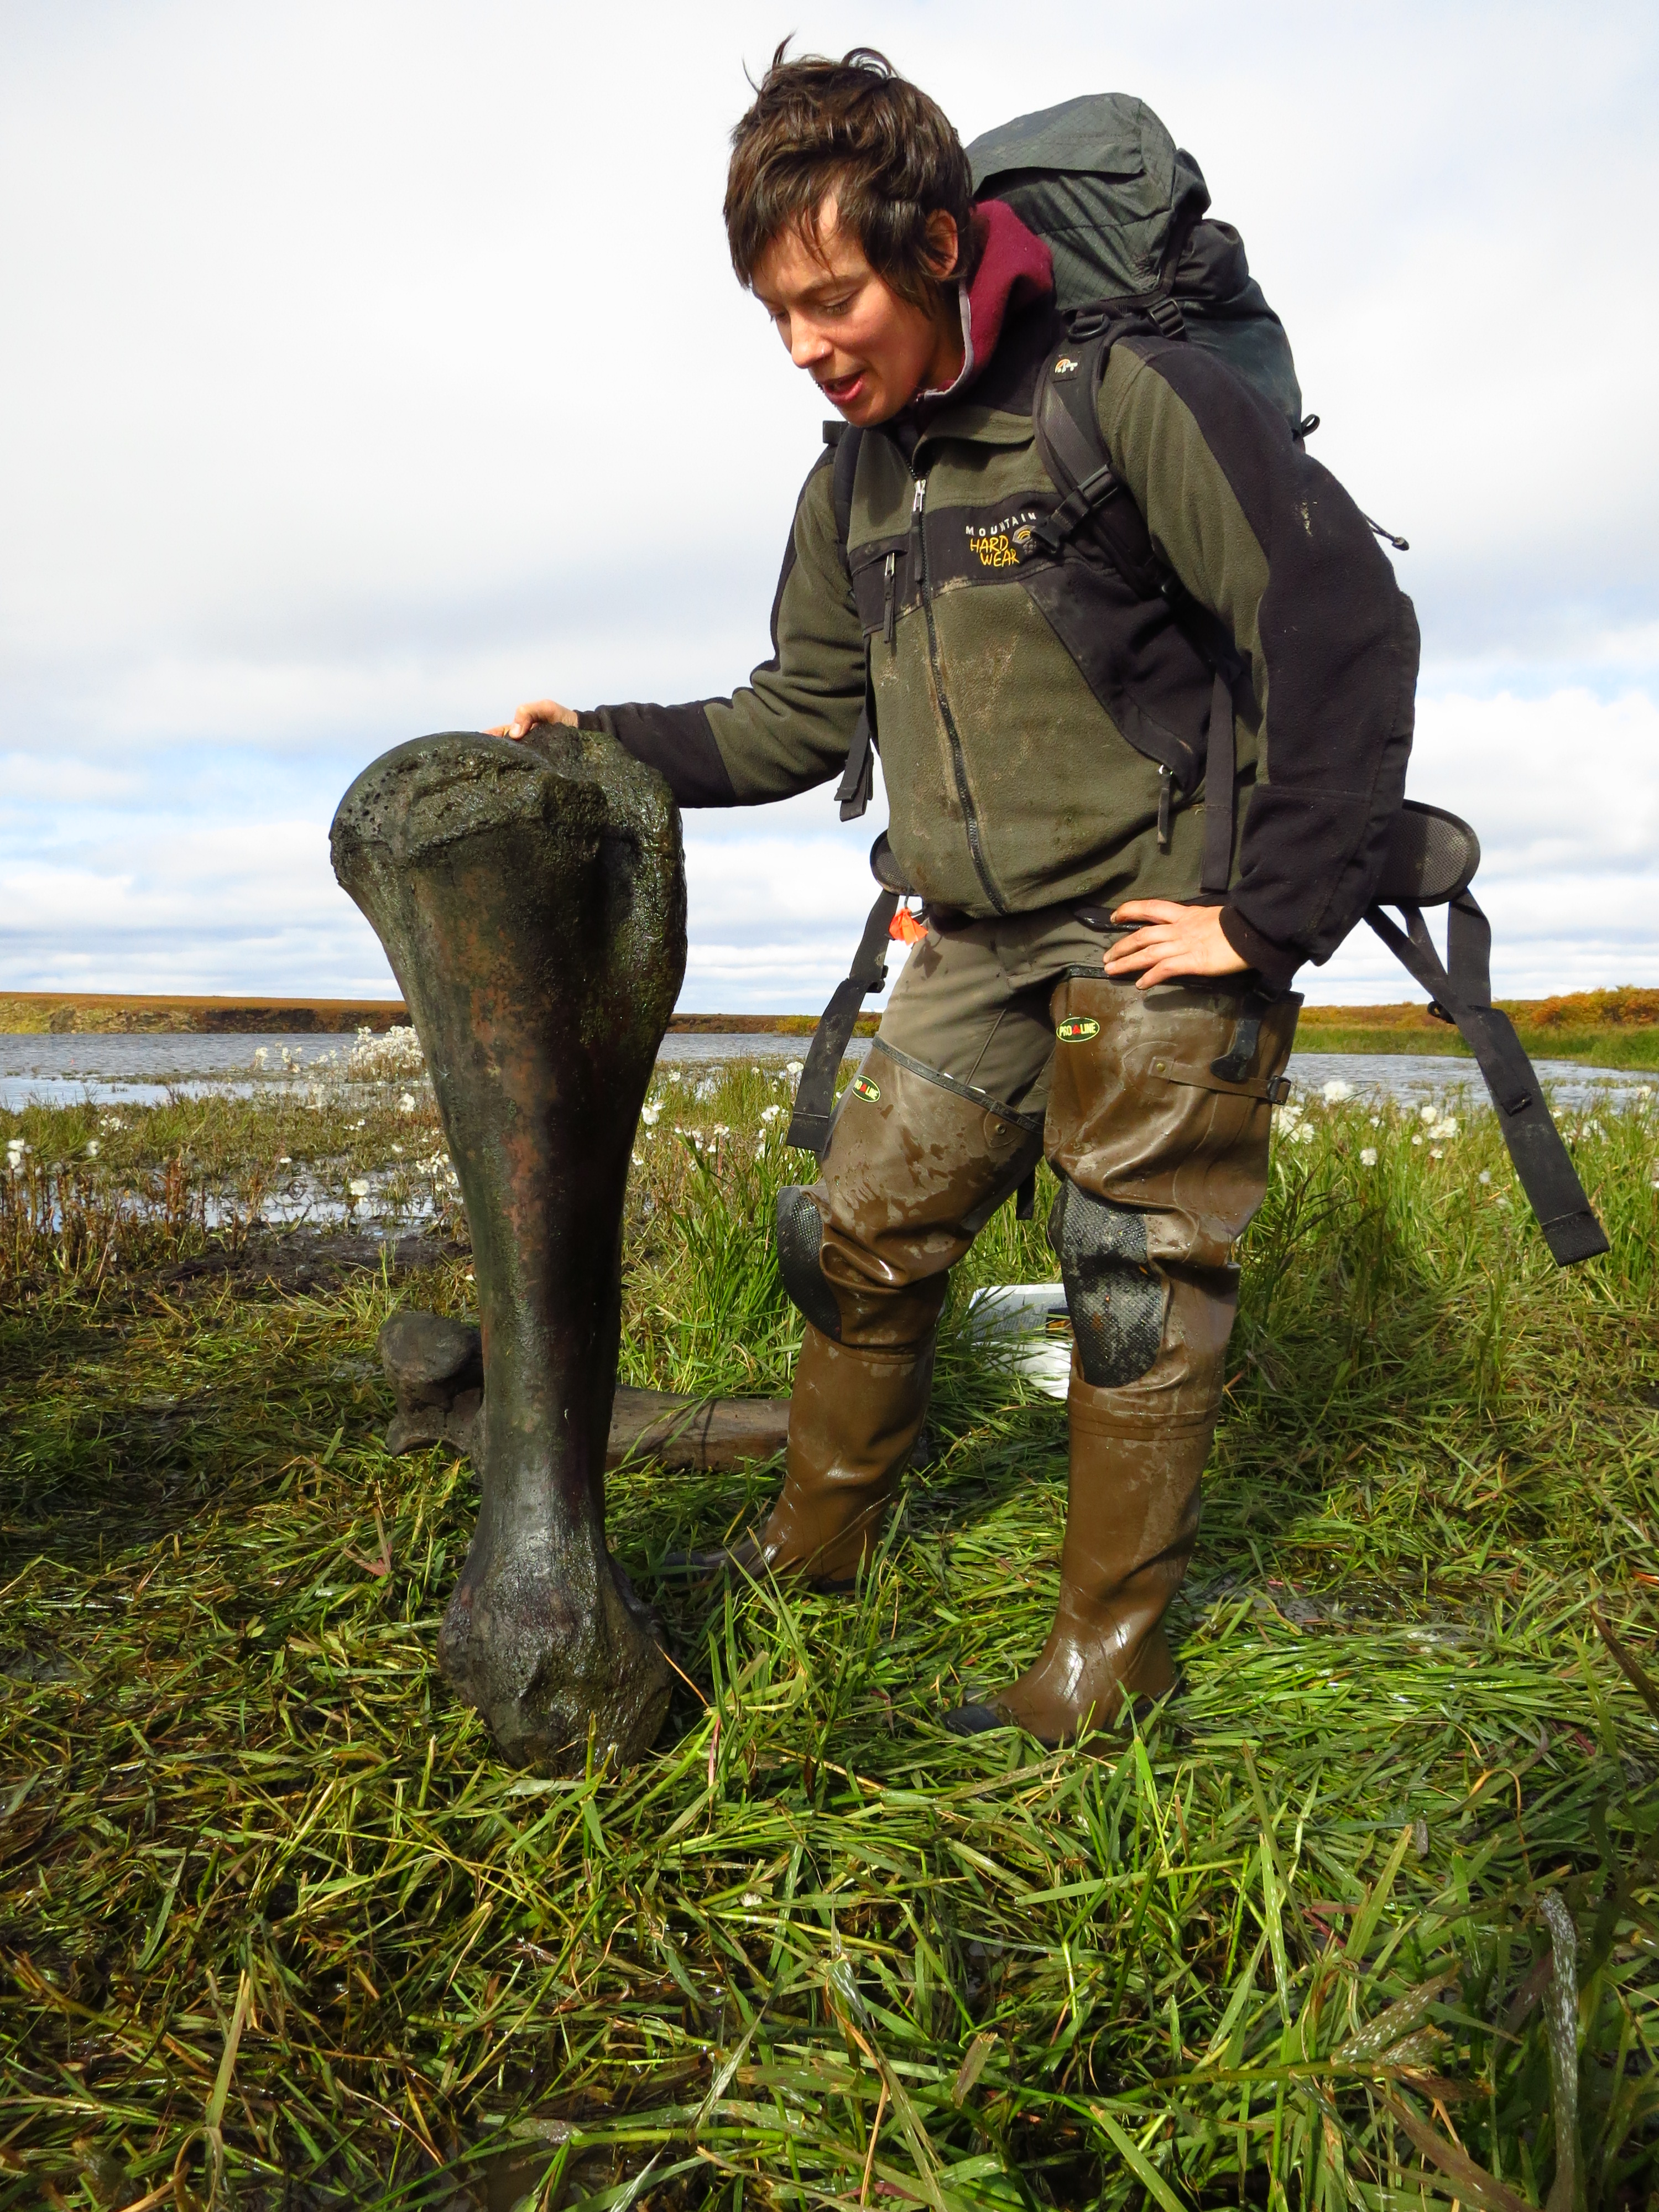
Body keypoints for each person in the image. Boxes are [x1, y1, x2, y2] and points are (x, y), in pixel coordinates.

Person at [489, 46, 1417, 1744]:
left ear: (931, 245)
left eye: (829, 296)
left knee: (1129, 1268)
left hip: (1165, 897)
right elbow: (787, 719)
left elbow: (1342, 630)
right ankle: (812, 1549)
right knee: (857, 1232)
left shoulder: (1122, 393)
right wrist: (601, 743)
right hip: (971, 930)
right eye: (776, 314)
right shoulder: (852, 482)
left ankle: (1102, 1669)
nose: (806, 347)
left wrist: (1268, 916)